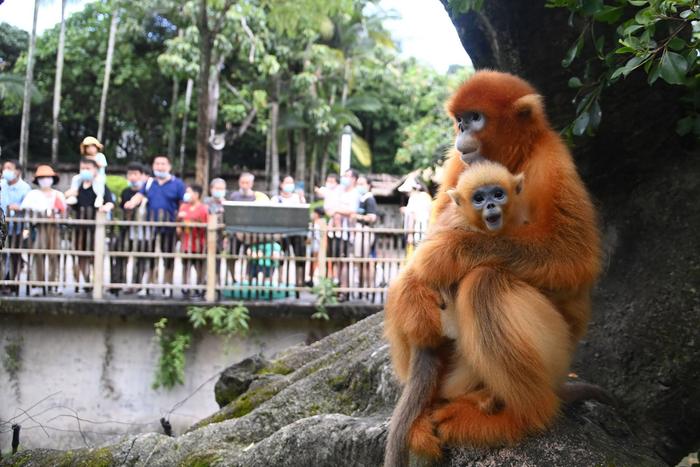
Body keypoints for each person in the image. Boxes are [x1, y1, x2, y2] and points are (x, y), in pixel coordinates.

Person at [123, 155, 186, 296]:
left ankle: (167, 285)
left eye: (163, 164)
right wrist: (132, 203)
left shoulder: (178, 184)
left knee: (168, 257)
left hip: (169, 225)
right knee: (149, 255)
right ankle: (149, 284)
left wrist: (180, 224)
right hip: (150, 226)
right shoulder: (150, 183)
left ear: (169, 166)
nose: (160, 167)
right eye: (157, 164)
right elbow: (139, 195)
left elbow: (183, 203)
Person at [20, 165, 67, 296]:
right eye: (42, 178)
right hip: (38, 229)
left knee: (54, 256)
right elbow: (26, 211)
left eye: (48, 177)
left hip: (54, 229)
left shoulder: (58, 195)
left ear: (52, 179)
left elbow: (63, 212)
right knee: (38, 255)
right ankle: (36, 284)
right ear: (38, 180)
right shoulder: (33, 195)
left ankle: (54, 284)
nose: (45, 180)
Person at [71, 158, 115, 293]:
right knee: (81, 255)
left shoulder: (100, 186)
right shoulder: (77, 186)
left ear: (96, 170)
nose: (85, 171)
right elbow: (72, 203)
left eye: (88, 168)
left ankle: (96, 281)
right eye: (82, 168)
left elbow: (110, 202)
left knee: (95, 256)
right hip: (80, 228)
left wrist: (105, 207)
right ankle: (86, 280)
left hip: (96, 229)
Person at [113, 162, 150, 293]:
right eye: (130, 174)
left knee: (140, 258)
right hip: (126, 228)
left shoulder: (147, 191)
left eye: (135, 174)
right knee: (119, 255)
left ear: (142, 175)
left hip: (143, 230)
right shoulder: (125, 192)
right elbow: (123, 209)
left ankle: (136, 284)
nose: (132, 177)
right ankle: (117, 283)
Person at [0, 160, 31, 292]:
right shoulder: (1, 184)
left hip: (16, 228)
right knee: (2, 256)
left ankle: (12, 283)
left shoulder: (25, 188)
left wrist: (19, 208)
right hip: (2, 228)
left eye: (9, 168)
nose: (6, 170)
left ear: (17, 171)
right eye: (4, 168)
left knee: (14, 256)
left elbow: (28, 207)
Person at [178, 184, 208, 297]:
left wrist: (193, 221)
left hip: (199, 242)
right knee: (186, 265)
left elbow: (206, 225)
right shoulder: (183, 207)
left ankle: (199, 287)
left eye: (189, 192)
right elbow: (178, 223)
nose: (187, 194)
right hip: (186, 242)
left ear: (196, 194)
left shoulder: (203, 208)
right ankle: (185, 287)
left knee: (199, 266)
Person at [353, 175, 378, 298]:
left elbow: (372, 217)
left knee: (365, 261)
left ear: (368, 185)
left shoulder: (369, 199)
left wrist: (357, 217)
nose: (359, 186)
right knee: (361, 261)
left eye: (362, 184)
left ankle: (368, 287)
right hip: (360, 231)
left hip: (366, 231)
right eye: (358, 183)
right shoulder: (362, 198)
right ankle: (363, 287)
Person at [65, 136, 108, 208]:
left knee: (99, 182)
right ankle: (73, 196)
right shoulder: (85, 157)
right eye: (88, 147)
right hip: (86, 178)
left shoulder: (100, 156)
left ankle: (99, 197)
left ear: (96, 147)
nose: (90, 149)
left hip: (98, 176)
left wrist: (93, 161)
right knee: (76, 178)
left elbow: (102, 165)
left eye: (92, 147)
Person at [399, 176, 432, 257]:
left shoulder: (413, 198)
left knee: (413, 257)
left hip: (416, 232)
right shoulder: (426, 197)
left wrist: (410, 234)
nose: (407, 194)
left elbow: (412, 216)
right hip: (425, 231)